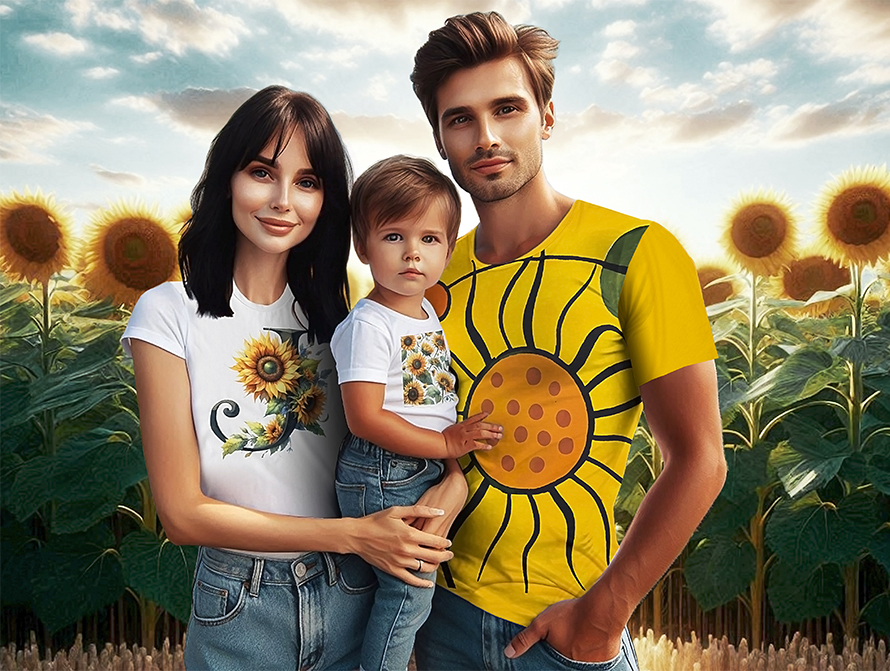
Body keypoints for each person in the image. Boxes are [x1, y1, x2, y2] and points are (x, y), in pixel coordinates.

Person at [409, 12, 727, 671]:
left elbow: (700, 457)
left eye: (507, 108)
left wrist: (604, 614)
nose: (487, 136)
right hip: (439, 624)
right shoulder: (431, 285)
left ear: (546, 117)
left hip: (563, 633)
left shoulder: (637, 254)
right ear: (441, 139)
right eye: (460, 118)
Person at [122, 86, 458, 671]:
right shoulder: (169, 312)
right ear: (227, 177)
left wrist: (450, 488)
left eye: (307, 182)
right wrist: (354, 535)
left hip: (354, 593)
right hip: (241, 605)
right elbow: (180, 514)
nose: (283, 200)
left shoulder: (347, 320)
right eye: (261, 172)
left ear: (327, 200)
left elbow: (420, 418)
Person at [331, 155, 503, 671]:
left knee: (388, 588)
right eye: (393, 237)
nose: (412, 254)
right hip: (382, 469)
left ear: (450, 250)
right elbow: (365, 417)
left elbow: (427, 403)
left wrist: (448, 465)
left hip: (415, 464)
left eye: (429, 240)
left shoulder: (426, 311)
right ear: (363, 247)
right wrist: (449, 447)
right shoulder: (371, 325)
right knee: (409, 592)